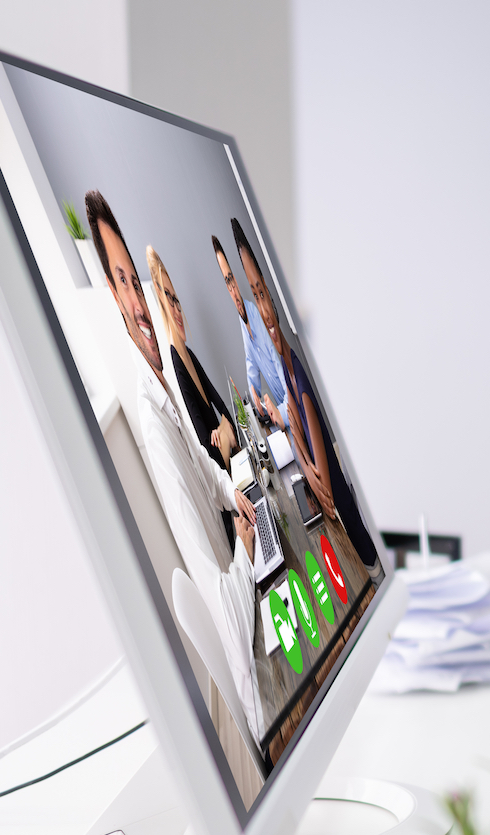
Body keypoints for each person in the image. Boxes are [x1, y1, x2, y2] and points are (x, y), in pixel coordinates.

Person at [86, 191, 267, 743]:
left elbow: (205, 465)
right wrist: (245, 545)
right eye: (124, 283)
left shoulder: (165, 372)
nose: (142, 303)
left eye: (135, 281)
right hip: (261, 697)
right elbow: (231, 630)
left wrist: (229, 493)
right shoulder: (152, 425)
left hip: (261, 628)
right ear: (112, 298)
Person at [229, 217, 377, 573]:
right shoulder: (283, 365)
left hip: (365, 554)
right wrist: (304, 461)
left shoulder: (296, 374)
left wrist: (311, 470)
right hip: (348, 529)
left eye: (261, 292)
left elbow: (326, 494)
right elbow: (295, 430)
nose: (261, 310)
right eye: (253, 295)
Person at [148, 245, 239, 471]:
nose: (177, 310)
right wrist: (223, 432)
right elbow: (212, 455)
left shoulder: (188, 355)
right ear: (161, 302)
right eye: (169, 299)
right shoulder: (177, 365)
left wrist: (225, 432)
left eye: (177, 299)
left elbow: (225, 410)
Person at [214, 233, 288, 434]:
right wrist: (255, 396)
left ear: (236, 280)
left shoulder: (255, 313)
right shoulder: (243, 321)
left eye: (231, 279)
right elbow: (251, 363)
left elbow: (279, 363)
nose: (232, 288)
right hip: (283, 412)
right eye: (226, 283)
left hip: (294, 404)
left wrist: (282, 412)